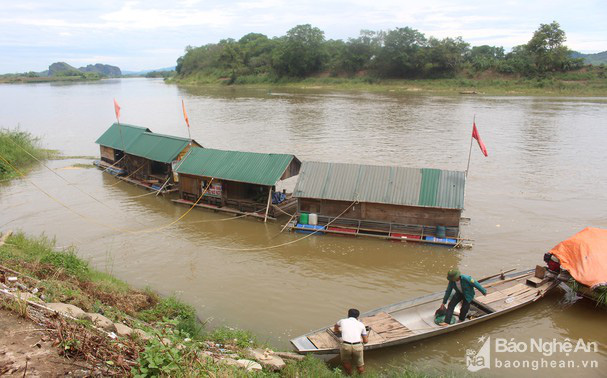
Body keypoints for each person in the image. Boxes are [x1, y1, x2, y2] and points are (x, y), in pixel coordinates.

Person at [334, 308, 369, 375]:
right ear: (357, 317)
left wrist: (337, 330)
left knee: (346, 362)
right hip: (357, 346)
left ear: (348, 315)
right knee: (360, 364)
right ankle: (361, 375)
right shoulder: (361, 325)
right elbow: (365, 341)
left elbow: (336, 326)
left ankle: (350, 375)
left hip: (346, 346)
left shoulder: (342, 321)